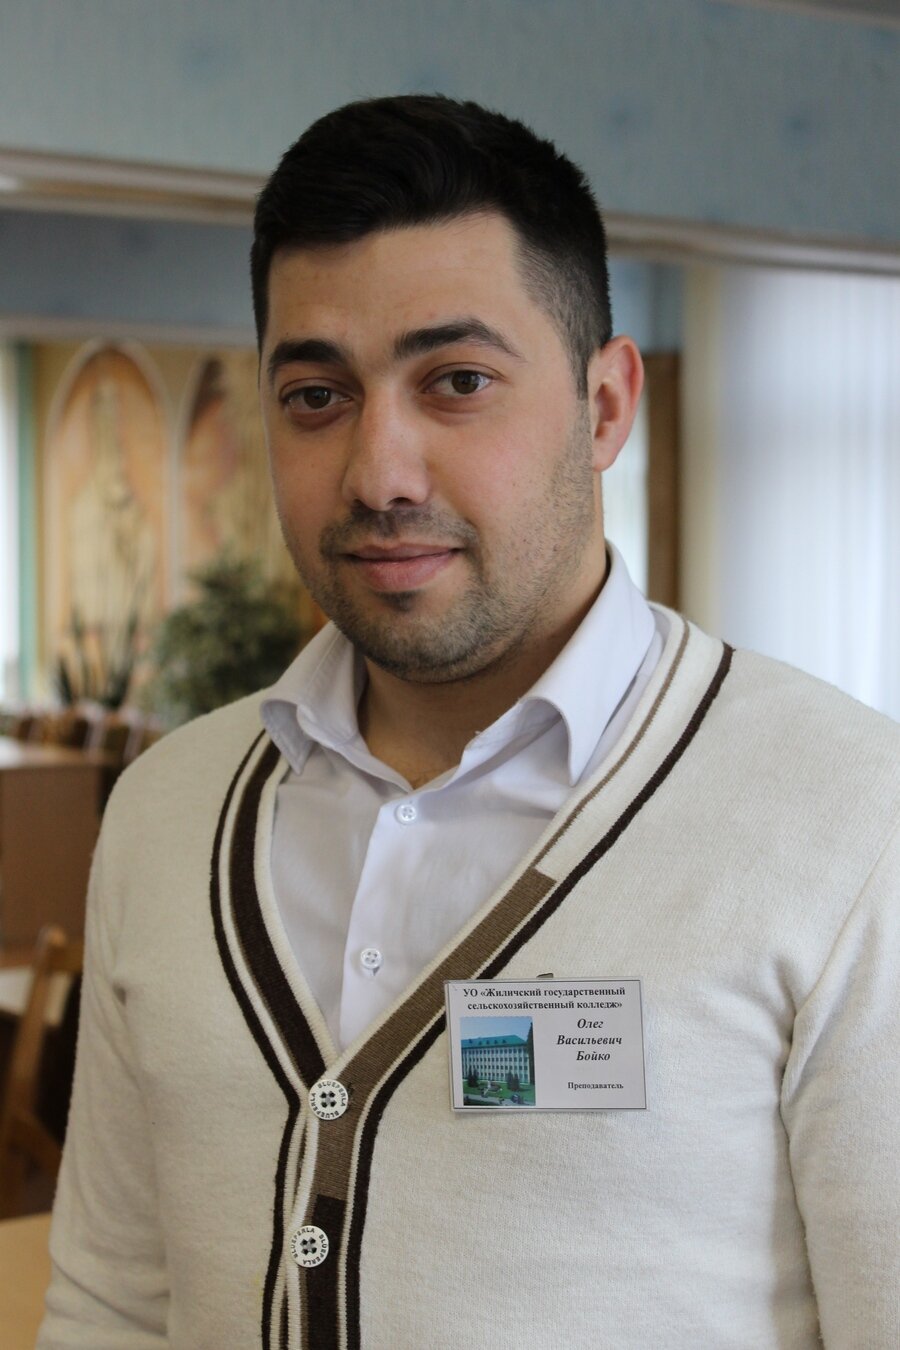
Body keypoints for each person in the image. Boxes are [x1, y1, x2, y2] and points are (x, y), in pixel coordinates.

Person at [39, 96, 899, 1350]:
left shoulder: (853, 820)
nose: (379, 473)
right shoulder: (167, 810)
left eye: (457, 383)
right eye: (317, 396)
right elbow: (112, 1304)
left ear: (605, 407)